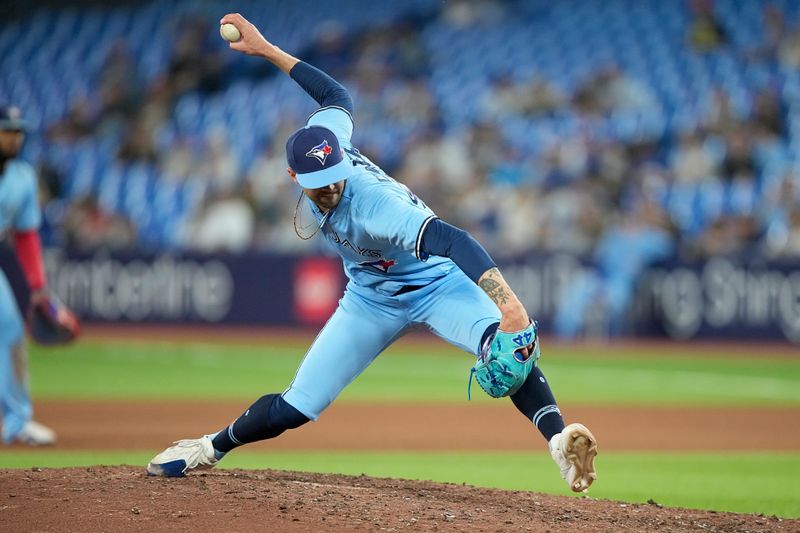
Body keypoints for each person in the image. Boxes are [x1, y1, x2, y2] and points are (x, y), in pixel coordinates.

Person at [147, 13, 598, 493]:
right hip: (370, 298)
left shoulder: (375, 207)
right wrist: (268, 51)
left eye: (337, 176)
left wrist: (510, 307)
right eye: (320, 185)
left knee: (505, 352)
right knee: (297, 405)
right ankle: (208, 447)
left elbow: (452, 240)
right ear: (294, 179)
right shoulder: (328, 139)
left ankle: (557, 440)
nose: (333, 187)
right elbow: (337, 97)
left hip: (436, 283)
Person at [0, 105, 57, 445]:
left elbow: (26, 235)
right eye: (7, 130)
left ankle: (18, 421)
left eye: (18, 131)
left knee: (10, 329)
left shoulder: (22, 177)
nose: (14, 137)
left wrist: (37, 285)